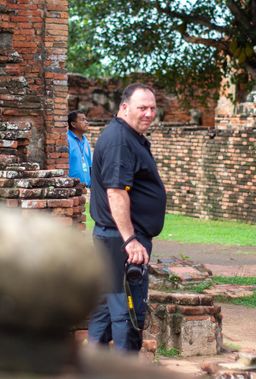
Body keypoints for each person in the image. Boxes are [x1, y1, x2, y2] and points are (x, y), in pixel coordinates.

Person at [87, 83, 167, 352]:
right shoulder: (120, 140)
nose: (148, 113)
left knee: (106, 311)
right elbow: (116, 192)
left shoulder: (128, 136)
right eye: (141, 107)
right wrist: (131, 240)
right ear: (124, 107)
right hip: (121, 242)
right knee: (128, 314)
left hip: (114, 239)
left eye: (152, 108)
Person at [67, 110, 92, 187]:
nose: (86, 122)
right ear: (73, 124)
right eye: (82, 120)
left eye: (86, 119)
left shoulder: (85, 141)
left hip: (86, 188)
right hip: (72, 188)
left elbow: (89, 165)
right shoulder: (66, 140)